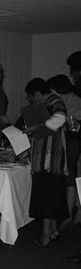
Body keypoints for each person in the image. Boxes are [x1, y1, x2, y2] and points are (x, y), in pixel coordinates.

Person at [17, 78, 68, 247]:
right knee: (51, 196)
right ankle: (52, 231)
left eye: (30, 97)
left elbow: (60, 119)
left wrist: (35, 127)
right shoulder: (49, 102)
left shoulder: (54, 101)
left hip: (50, 158)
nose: (29, 100)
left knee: (47, 197)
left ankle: (45, 235)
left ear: (38, 94)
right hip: (46, 157)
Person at [47, 74, 81, 229]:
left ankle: (69, 214)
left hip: (73, 142)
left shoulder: (69, 101)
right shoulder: (71, 99)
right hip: (71, 142)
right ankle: (73, 213)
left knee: (71, 177)